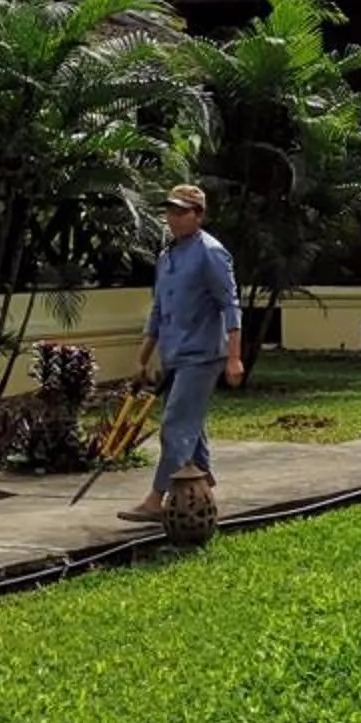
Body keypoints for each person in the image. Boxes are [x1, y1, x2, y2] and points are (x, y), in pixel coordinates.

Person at [119, 184, 243, 524]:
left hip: (203, 354)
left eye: (181, 212)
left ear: (199, 215)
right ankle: (201, 492)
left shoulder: (212, 253)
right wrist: (143, 358)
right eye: (170, 211)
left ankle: (157, 498)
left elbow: (230, 305)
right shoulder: (167, 256)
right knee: (192, 425)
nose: (173, 219)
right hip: (174, 353)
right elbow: (158, 311)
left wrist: (234, 357)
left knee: (175, 425)